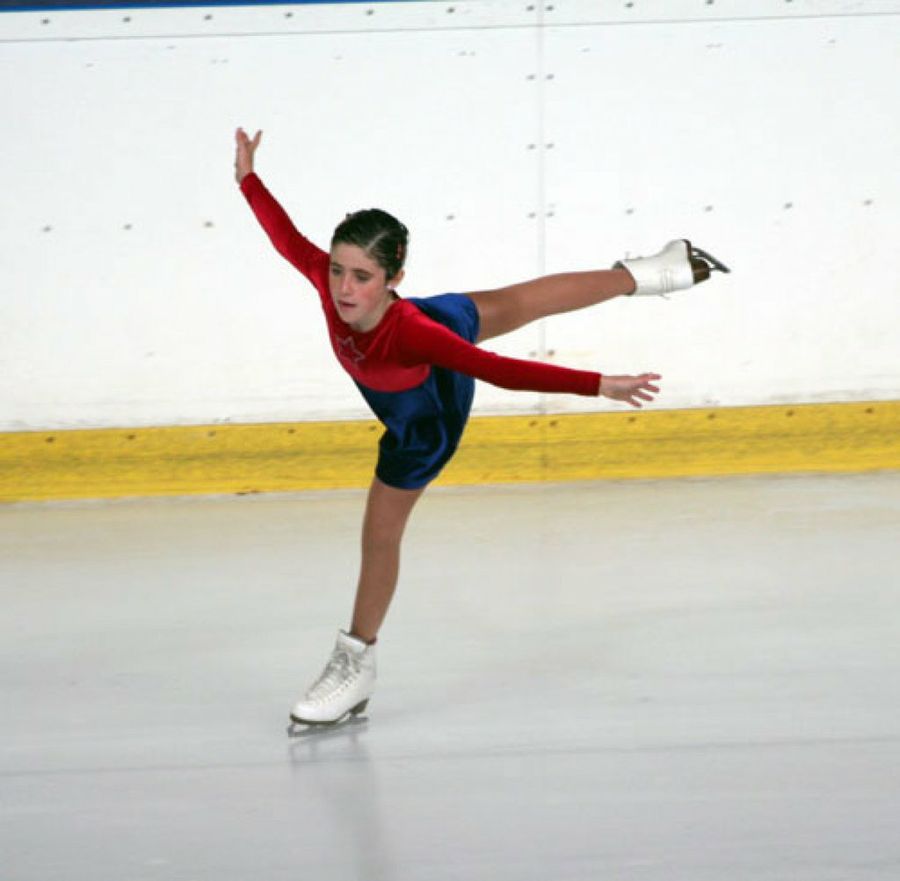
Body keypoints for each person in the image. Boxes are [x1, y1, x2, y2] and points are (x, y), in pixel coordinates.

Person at [233, 127, 729, 727]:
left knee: (379, 537)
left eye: (361, 276)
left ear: (393, 278)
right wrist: (248, 178)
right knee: (517, 302)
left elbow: (498, 372)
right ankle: (656, 271)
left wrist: (598, 383)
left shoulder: (412, 334)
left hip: (424, 419)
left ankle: (355, 664)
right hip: (439, 320)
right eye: (338, 270)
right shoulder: (331, 283)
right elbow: (285, 237)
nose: (343, 288)